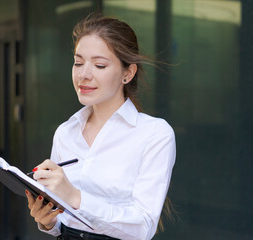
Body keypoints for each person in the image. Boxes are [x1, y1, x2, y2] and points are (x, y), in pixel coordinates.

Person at [25, 14, 176, 240]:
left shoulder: (154, 134)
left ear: (128, 73)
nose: (84, 75)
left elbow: (143, 228)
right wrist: (48, 221)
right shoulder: (65, 133)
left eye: (99, 65)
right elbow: (61, 222)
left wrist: (76, 198)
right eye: (78, 62)